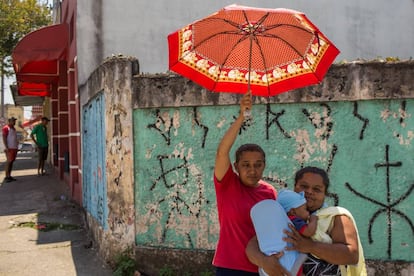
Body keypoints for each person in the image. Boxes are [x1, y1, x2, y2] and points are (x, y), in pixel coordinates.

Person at [212, 92, 285, 275]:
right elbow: (222, 152)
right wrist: (241, 117)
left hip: (261, 267)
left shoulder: (269, 192)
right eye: (246, 165)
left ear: (264, 166)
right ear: (235, 166)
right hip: (229, 267)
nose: (252, 170)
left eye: (257, 165)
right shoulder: (227, 185)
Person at [246, 166, 367, 276]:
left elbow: (351, 255)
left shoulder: (335, 216)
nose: (309, 192)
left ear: (325, 194)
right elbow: (252, 246)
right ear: (295, 188)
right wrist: (265, 262)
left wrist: (310, 246)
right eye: (304, 186)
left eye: (317, 189)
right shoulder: (283, 215)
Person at [2, 117, 19, 183]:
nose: (14, 122)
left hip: (14, 148)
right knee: (9, 162)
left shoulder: (14, 129)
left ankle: (9, 176)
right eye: (13, 121)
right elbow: (4, 137)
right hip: (9, 148)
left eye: (15, 121)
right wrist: (6, 147)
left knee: (11, 162)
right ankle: (7, 177)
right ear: (9, 121)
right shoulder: (6, 128)